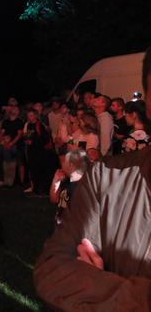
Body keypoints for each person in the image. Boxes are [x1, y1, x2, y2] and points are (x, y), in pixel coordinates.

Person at [34, 46, 151, 310]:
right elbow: (53, 266)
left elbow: (102, 146)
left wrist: (101, 283)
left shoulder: (104, 124)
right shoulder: (105, 180)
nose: (95, 100)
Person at [49, 149, 89, 225]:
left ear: (71, 164)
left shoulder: (80, 186)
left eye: (64, 161)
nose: (62, 164)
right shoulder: (67, 179)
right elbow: (54, 199)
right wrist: (56, 180)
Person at [23, 109, 54, 196]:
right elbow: (27, 136)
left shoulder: (40, 125)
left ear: (36, 116)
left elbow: (45, 138)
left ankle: (43, 190)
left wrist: (33, 142)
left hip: (40, 152)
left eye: (31, 115)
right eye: (28, 116)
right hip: (31, 151)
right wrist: (27, 140)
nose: (30, 117)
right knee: (33, 170)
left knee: (41, 170)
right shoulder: (28, 125)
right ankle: (36, 189)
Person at [1, 104, 25, 186]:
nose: (14, 110)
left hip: (17, 145)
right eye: (13, 109)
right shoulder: (5, 121)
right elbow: (2, 133)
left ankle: (21, 182)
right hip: (6, 144)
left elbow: (19, 134)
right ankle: (8, 181)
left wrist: (11, 143)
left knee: (20, 163)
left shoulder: (20, 122)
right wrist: (4, 142)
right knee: (7, 162)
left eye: (16, 109)